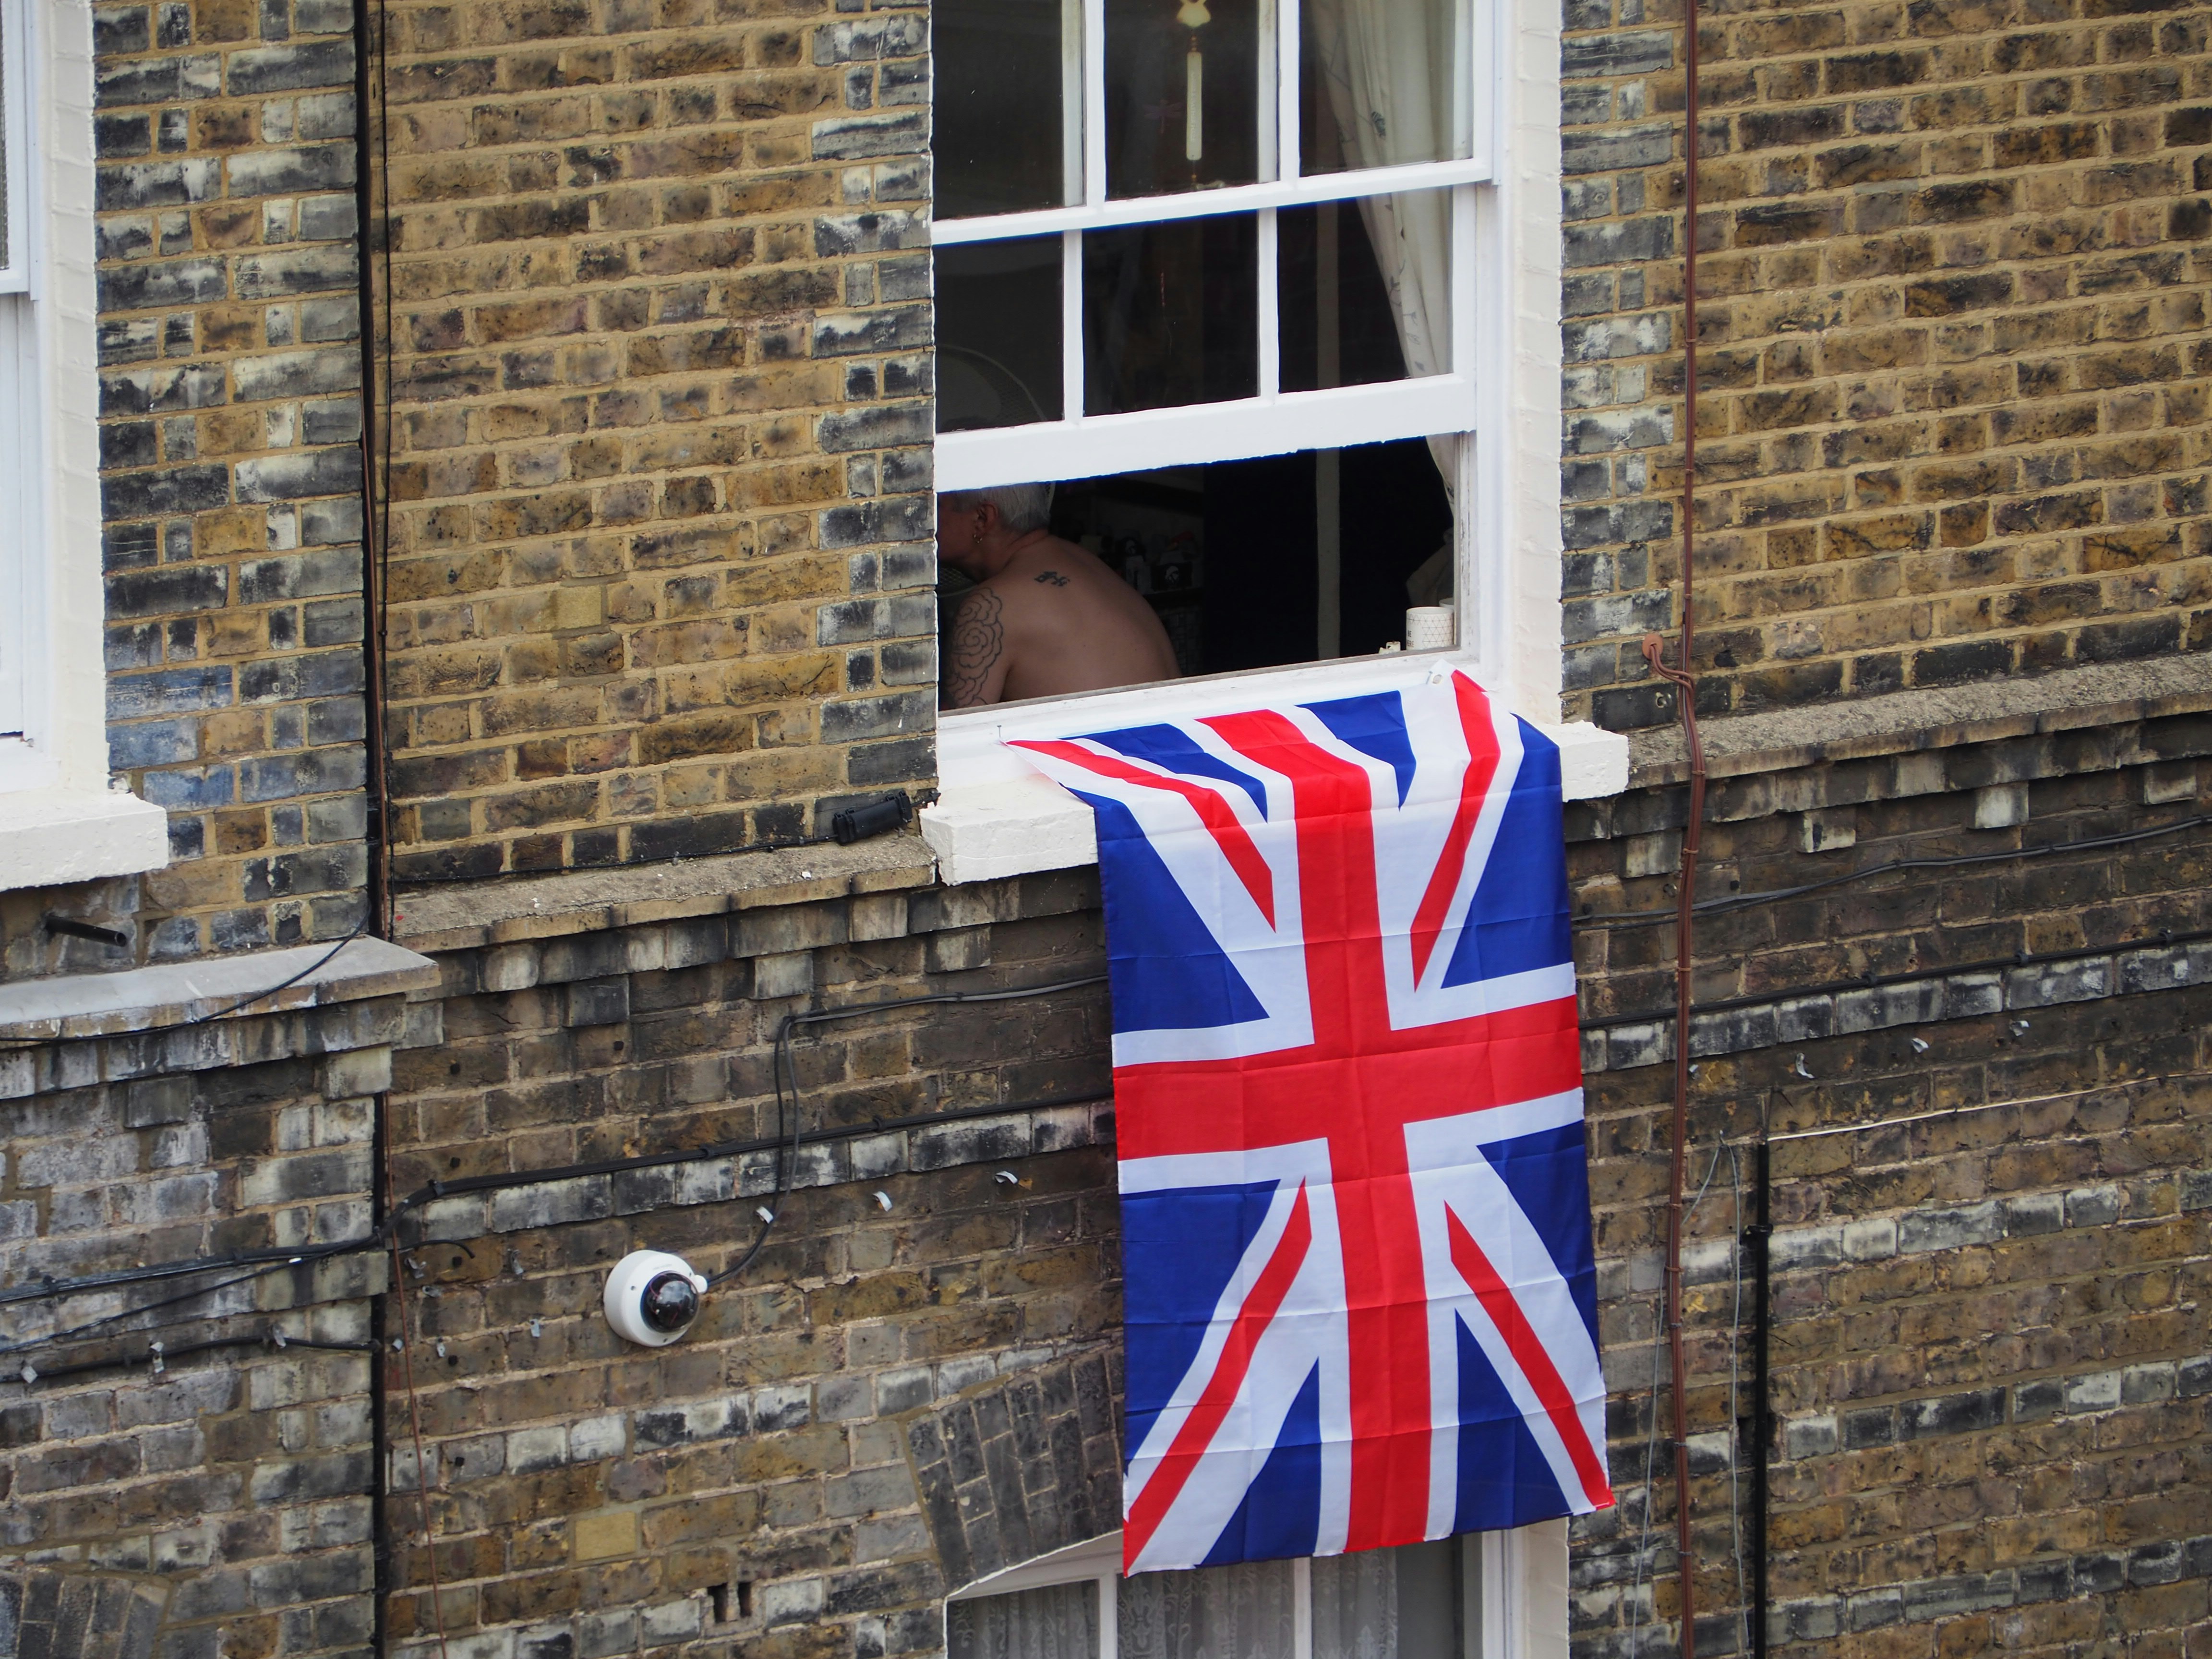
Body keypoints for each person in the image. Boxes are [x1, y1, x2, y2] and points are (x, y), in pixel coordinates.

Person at [937, 485, 1181, 707]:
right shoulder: (1084, 561)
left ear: (982, 519)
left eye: (936, 505)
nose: (924, 517)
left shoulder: (990, 606)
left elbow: (954, 735)